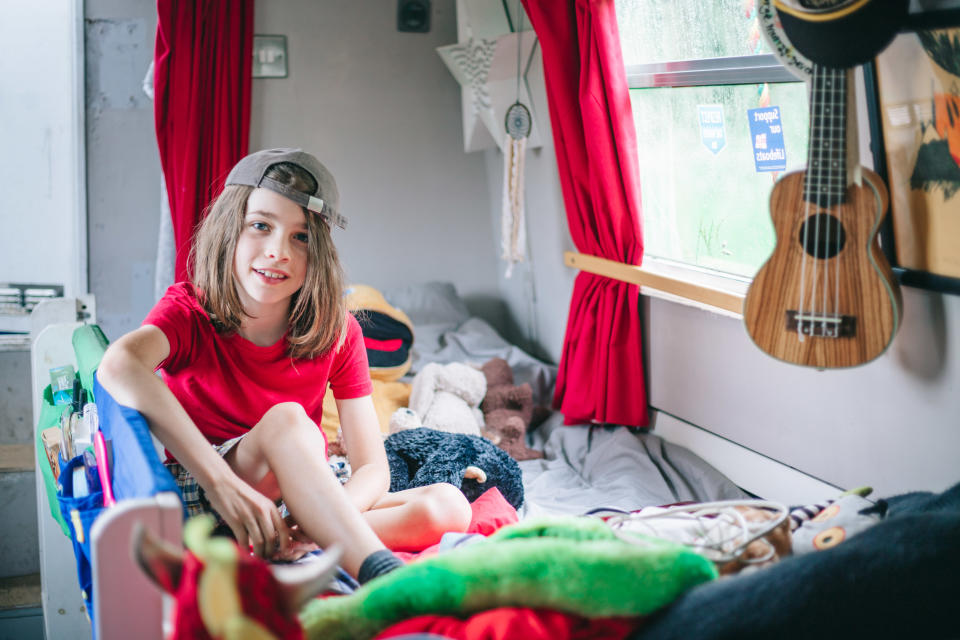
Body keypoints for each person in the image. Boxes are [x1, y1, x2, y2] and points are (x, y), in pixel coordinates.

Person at [98, 148, 472, 583]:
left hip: (297, 493)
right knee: (292, 423)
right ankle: (381, 574)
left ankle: (298, 544)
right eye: (261, 226)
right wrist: (224, 485)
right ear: (229, 230)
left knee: (449, 506)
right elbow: (118, 363)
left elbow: (372, 467)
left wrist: (320, 527)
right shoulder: (189, 311)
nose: (278, 252)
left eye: (301, 237)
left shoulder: (339, 332)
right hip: (211, 491)